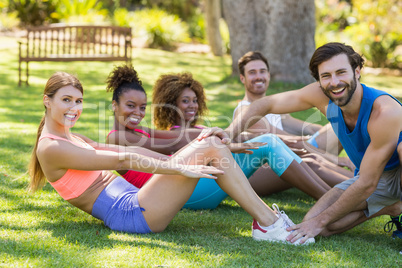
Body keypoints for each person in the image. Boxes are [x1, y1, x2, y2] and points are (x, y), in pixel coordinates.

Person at [29, 71, 315, 245]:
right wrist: (176, 166)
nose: (74, 108)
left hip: (138, 202)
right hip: (131, 214)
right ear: (47, 100)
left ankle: (267, 221)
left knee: (210, 142)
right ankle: (269, 224)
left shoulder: (71, 137)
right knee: (209, 146)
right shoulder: (51, 148)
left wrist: (192, 155)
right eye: (66, 100)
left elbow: (134, 152)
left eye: (78, 101)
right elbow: (122, 160)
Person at [219, 42, 402, 243]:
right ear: (319, 80)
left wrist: (318, 223)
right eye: (326, 76)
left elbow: (367, 184)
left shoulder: (384, 112)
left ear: (356, 71)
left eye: (341, 72)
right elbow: (266, 104)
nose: (334, 82)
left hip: (395, 170)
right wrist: (227, 134)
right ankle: (393, 207)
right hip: (376, 175)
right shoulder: (322, 95)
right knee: (318, 223)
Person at [106, 65, 330, 210]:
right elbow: (175, 142)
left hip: (188, 187)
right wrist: (229, 144)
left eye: (142, 107)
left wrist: (224, 138)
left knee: (271, 144)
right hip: (178, 196)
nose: (137, 113)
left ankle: (333, 198)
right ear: (114, 105)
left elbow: (183, 135)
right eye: (130, 106)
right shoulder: (117, 138)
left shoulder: (138, 132)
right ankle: (331, 202)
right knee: (270, 143)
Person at [151, 71, 344, 198]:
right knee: (307, 160)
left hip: (240, 170)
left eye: (194, 100)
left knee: (307, 158)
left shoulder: (201, 129)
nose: (192, 105)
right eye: (185, 101)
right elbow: (242, 140)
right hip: (231, 179)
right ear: (171, 104)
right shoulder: (178, 134)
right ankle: (346, 195)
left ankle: (354, 186)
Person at [234, 51, 355, 180]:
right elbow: (289, 142)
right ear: (242, 78)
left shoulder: (271, 108)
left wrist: (333, 133)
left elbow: (308, 128)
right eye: (252, 72)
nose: (258, 76)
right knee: (333, 134)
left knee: (341, 123)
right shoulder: (245, 111)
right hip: (279, 159)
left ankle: (365, 164)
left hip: (297, 150)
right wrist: (338, 159)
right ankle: (358, 178)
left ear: (268, 75)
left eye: (262, 71)